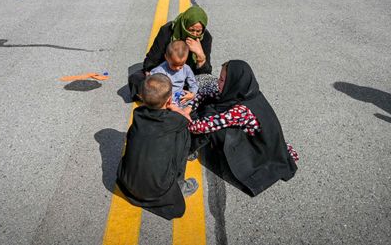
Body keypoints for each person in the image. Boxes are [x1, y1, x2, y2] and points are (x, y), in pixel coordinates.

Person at [186, 60, 298, 196]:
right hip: (268, 142)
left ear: (233, 82)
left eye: (222, 80)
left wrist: (183, 119)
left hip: (259, 152)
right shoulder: (248, 92)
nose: (218, 83)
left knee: (212, 125)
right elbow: (211, 94)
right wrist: (194, 103)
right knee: (212, 105)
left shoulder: (241, 111)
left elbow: (205, 126)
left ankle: (188, 149)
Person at [116, 74, 198, 220]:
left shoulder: (138, 114)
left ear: (142, 97)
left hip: (127, 183)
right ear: (169, 99)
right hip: (157, 190)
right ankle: (179, 184)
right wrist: (174, 107)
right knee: (183, 132)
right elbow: (187, 119)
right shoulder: (174, 120)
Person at [128, 6, 212, 101]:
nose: (194, 34)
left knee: (211, 84)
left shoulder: (205, 37)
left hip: (188, 77)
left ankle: (162, 99)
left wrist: (200, 56)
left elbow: (206, 73)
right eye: (191, 30)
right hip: (164, 74)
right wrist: (157, 80)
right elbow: (151, 60)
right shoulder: (167, 31)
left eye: (198, 31)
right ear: (184, 25)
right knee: (136, 79)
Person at [150, 40, 199, 106]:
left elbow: (193, 83)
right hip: (165, 99)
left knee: (197, 100)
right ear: (166, 58)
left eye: (181, 64)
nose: (178, 68)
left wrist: (192, 94)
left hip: (180, 98)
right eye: (174, 65)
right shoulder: (161, 70)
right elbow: (150, 82)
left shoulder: (186, 69)